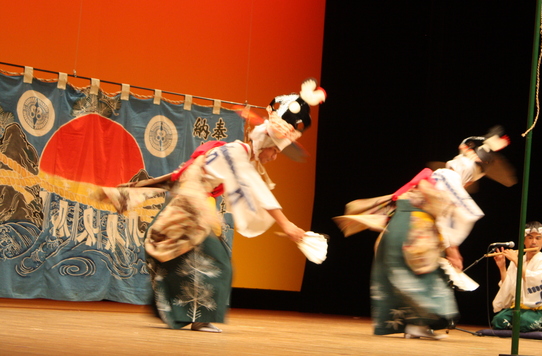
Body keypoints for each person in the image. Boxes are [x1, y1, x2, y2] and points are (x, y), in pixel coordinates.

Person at [100, 79, 326, 332]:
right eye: (275, 151)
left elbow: (182, 176)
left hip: (190, 202)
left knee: (185, 256)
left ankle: (170, 309)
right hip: (190, 204)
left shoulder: (243, 157)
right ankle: (199, 318)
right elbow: (259, 192)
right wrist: (289, 227)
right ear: (267, 145)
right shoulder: (238, 153)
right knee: (216, 261)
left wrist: (131, 191)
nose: (274, 157)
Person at [335, 127, 515, 340]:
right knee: (423, 276)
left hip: (411, 227)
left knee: (419, 274)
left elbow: (445, 213)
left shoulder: (445, 175)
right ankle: (417, 325)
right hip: (412, 227)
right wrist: (453, 249)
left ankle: (416, 326)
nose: (473, 179)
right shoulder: (449, 175)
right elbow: (460, 213)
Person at [490, 221, 542, 332]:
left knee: (523, 321)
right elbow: (508, 286)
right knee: (498, 320)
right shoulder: (520, 260)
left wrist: (516, 260)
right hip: (517, 309)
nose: (534, 242)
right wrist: (502, 267)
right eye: (530, 238)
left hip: (535, 310)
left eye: (538, 238)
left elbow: (534, 280)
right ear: (524, 240)